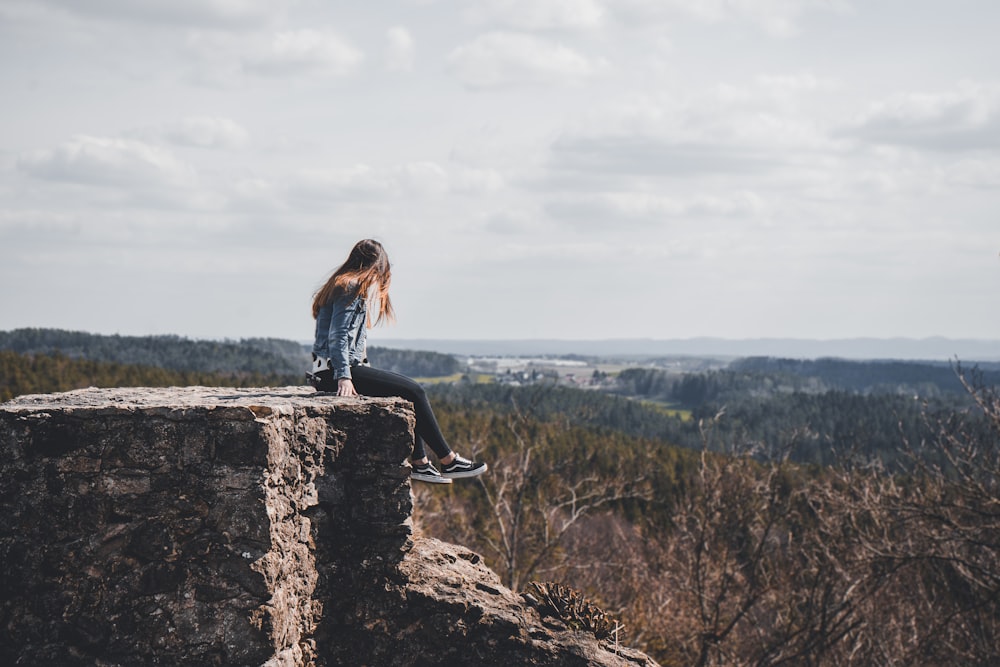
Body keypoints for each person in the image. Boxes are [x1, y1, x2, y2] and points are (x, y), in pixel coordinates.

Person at [307, 239, 487, 484]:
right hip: (333, 373)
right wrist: (344, 376)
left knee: (404, 392)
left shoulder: (344, 286)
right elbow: (337, 336)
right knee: (414, 390)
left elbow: (351, 341)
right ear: (375, 267)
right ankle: (449, 460)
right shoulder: (349, 286)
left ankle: (421, 463)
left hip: (332, 370)